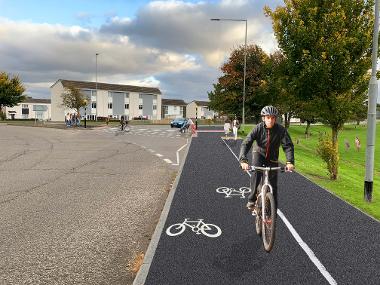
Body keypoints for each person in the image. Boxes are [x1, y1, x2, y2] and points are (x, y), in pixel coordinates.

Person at [239, 105, 295, 210]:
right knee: (256, 174)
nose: (270, 120)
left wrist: (289, 162)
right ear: (263, 118)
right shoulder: (258, 128)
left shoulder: (280, 130)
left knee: (273, 186)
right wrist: (243, 160)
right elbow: (246, 143)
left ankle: (273, 213)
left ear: (275, 119)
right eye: (268, 117)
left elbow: (288, 146)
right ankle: (251, 199)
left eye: (273, 118)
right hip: (259, 154)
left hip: (273, 157)